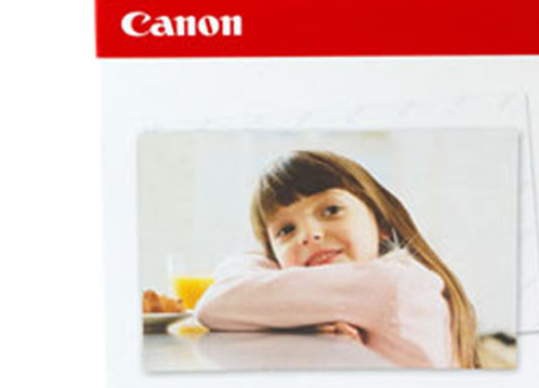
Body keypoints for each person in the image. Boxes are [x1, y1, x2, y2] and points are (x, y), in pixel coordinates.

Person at [195, 151, 480, 368]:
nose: (309, 235)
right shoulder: (357, 288)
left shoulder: (390, 284)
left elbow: (214, 303)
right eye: (286, 230)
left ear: (381, 223)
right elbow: (240, 265)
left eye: (331, 211)